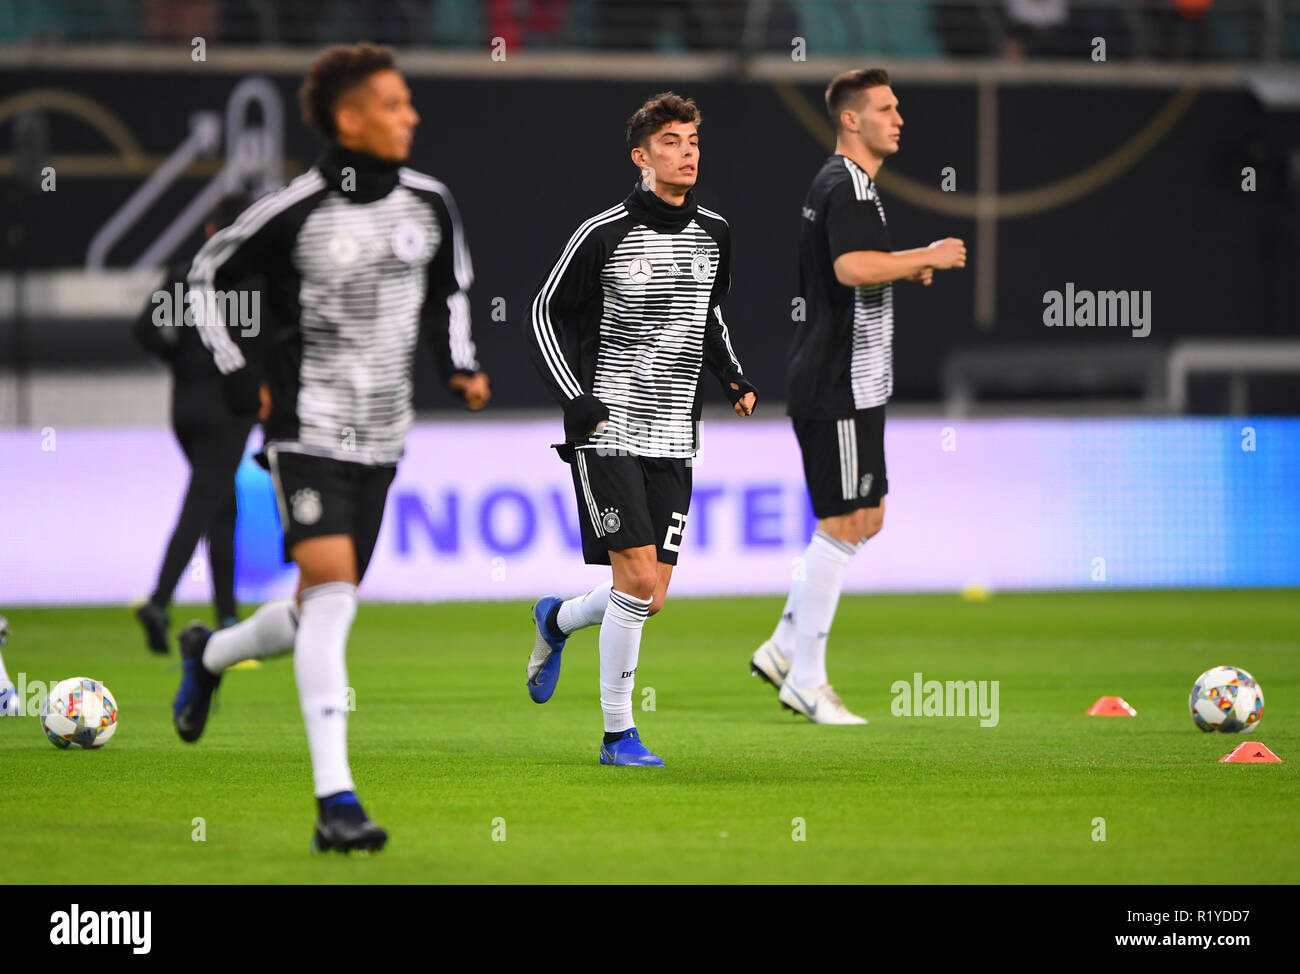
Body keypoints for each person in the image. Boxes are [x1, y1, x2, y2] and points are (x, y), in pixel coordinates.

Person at [171, 43, 490, 852]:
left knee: (324, 604)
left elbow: (450, 291)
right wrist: (237, 368)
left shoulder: (430, 202)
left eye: (408, 101)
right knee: (335, 593)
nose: (410, 114)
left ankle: (212, 654)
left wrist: (459, 365)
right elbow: (203, 275)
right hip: (305, 430)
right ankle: (335, 803)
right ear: (349, 119)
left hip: (385, 433)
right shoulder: (294, 210)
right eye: (393, 103)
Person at [524, 92, 757, 766]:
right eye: (671, 142)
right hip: (609, 430)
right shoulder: (602, 232)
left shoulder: (716, 233)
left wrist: (734, 377)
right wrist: (574, 397)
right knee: (634, 577)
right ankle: (618, 734)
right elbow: (541, 312)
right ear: (641, 156)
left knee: (649, 595)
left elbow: (708, 316)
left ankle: (556, 618)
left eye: (692, 141)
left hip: (676, 436)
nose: (686, 152)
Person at [751, 68, 966, 723]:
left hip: (856, 382)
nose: (898, 117)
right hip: (835, 381)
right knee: (843, 522)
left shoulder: (853, 187)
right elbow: (851, 268)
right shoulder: (845, 185)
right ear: (851, 119)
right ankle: (807, 682)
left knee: (866, 516)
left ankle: (784, 646)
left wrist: (903, 262)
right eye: (885, 107)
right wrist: (922, 253)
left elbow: (859, 263)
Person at [132, 194, 257, 654]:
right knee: (204, 502)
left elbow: (143, 330)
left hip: (185, 407)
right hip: (230, 408)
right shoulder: (254, 281)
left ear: (209, 229)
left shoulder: (184, 275)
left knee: (222, 505)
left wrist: (179, 363)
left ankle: (227, 617)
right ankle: (160, 601)